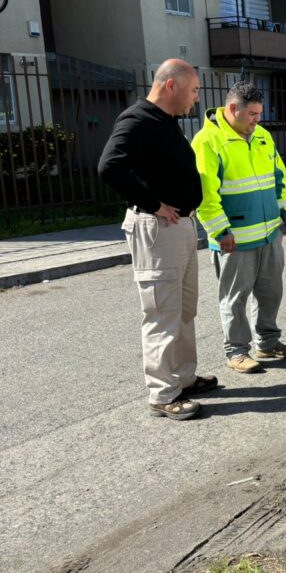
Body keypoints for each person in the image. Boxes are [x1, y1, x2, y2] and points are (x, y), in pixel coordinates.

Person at [97, 59, 216, 421]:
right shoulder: (137, 120)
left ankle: (182, 378)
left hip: (178, 227)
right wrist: (153, 204)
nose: (196, 98)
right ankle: (163, 394)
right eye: (194, 90)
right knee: (162, 312)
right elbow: (109, 166)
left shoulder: (165, 122)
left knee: (183, 308)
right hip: (157, 229)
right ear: (171, 86)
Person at [192, 81, 286, 374]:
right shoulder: (207, 141)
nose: (257, 120)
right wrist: (219, 232)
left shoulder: (262, 135)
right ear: (232, 109)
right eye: (252, 114)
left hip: (268, 234)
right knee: (235, 298)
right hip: (234, 240)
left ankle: (268, 342)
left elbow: (280, 176)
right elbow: (205, 195)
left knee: (271, 292)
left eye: (260, 113)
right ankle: (237, 351)